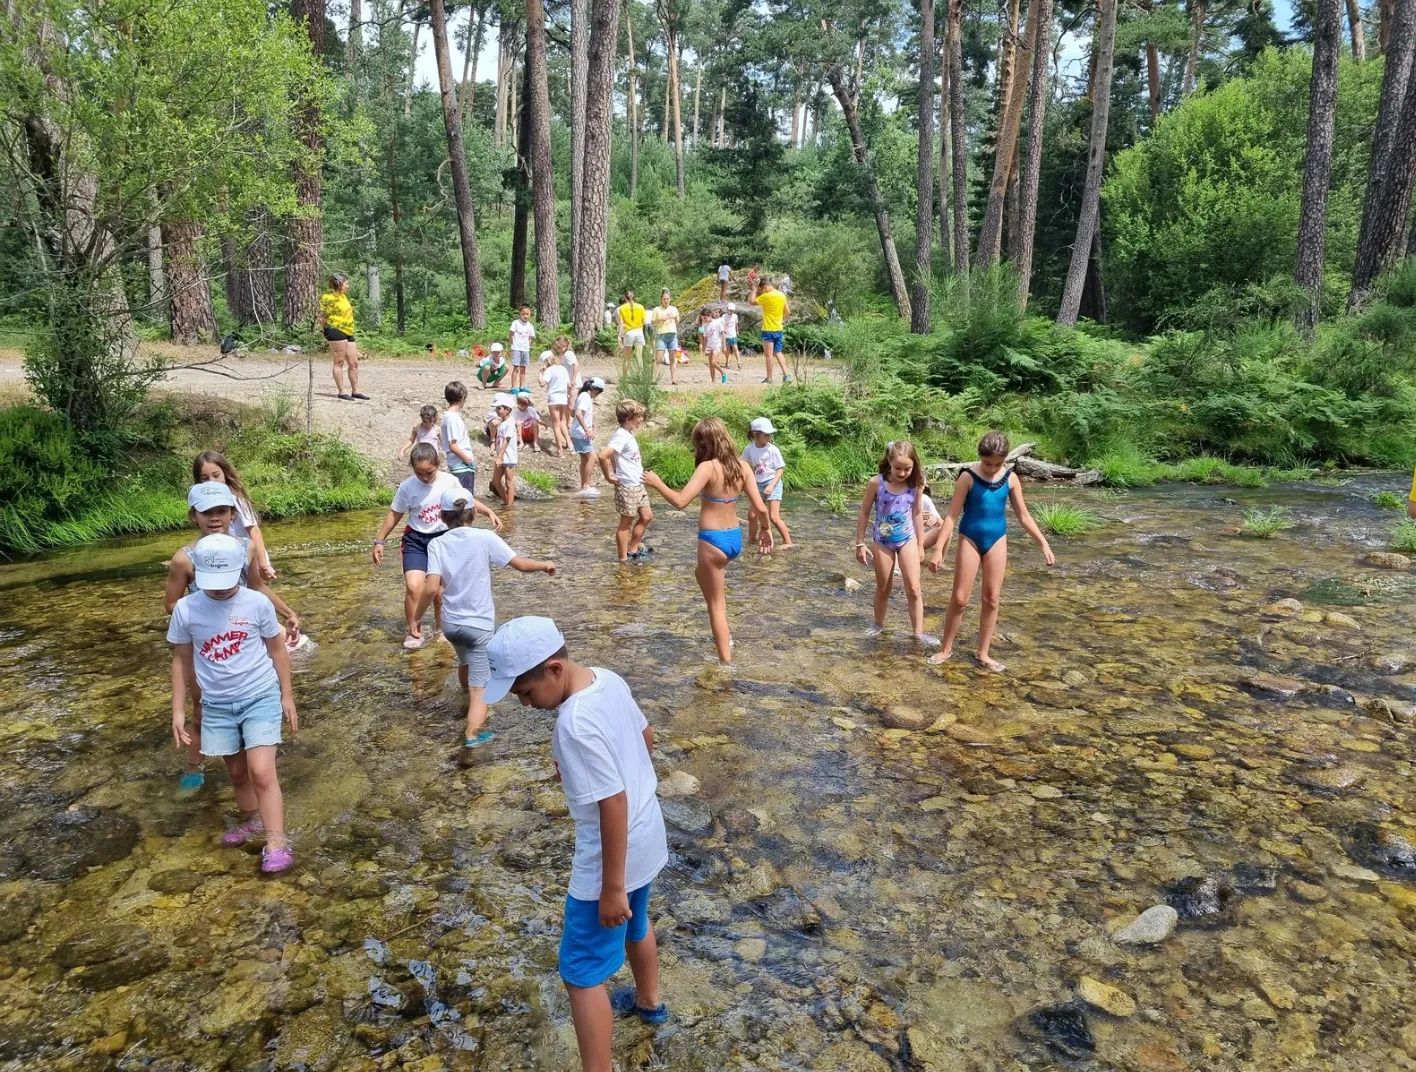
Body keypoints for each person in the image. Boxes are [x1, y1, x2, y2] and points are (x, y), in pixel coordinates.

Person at [483, 617, 669, 1072]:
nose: (525, 704)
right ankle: (650, 1003)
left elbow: (612, 802)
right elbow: (644, 738)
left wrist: (611, 888)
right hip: (648, 833)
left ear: (554, 669)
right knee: (637, 923)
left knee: (580, 974)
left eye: (525, 692)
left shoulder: (572, 724)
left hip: (610, 859)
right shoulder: (608, 679)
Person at [169, 533, 298, 873]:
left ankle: (277, 842)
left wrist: (286, 696)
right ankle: (251, 820)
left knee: (261, 771)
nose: (221, 590)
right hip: (216, 705)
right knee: (238, 772)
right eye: (213, 583)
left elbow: (277, 650)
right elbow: (181, 660)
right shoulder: (186, 609)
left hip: (260, 696)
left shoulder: (256, 603)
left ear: (239, 570)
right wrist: (179, 711)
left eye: (227, 582)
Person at [166, 482, 300, 795]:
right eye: (207, 512)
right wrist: (200, 616)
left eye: (222, 511)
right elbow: (172, 604)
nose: (215, 517)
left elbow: (257, 587)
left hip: (241, 634)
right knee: (202, 707)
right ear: (194, 516)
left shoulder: (246, 547)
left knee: (252, 692)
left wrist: (286, 612)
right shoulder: (184, 559)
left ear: (232, 514)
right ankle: (194, 764)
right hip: (206, 645)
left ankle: (253, 747)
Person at [415, 489, 556, 755]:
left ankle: (464, 700)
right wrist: (543, 564)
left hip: (451, 626)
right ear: (473, 513)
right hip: (478, 626)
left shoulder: (436, 544)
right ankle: (473, 736)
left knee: (465, 662)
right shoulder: (484, 537)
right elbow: (519, 564)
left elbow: (432, 587)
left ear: (442, 517)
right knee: (482, 691)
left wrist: (416, 618)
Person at [644, 418, 771, 664]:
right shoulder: (743, 467)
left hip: (712, 541)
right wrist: (765, 529)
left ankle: (726, 663)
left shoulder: (708, 468)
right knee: (699, 574)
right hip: (733, 539)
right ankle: (725, 636)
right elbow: (760, 508)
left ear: (702, 443)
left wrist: (657, 483)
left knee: (716, 607)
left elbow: (681, 502)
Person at [927, 431, 1054, 672]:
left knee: (992, 597)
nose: (992, 468)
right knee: (960, 598)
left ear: (1005, 460)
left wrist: (1043, 543)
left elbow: (1024, 516)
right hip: (970, 538)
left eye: (998, 464)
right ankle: (945, 649)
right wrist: (938, 549)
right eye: (987, 463)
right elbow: (951, 517)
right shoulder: (968, 477)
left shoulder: (1011, 479)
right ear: (980, 457)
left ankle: (983, 653)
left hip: (997, 540)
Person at [372, 442, 500, 650]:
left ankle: (442, 630)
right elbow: (395, 514)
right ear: (412, 468)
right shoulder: (407, 487)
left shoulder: (449, 481)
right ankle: (414, 631)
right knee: (414, 587)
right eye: (419, 473)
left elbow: (467, 501)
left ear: (438, 464)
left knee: (440, 593)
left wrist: (489, 512)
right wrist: (380, 541)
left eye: (429, 472)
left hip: (443, 540)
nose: (424, 478)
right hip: (416, 541)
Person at [854, 441, 934, 645]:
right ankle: (878, 625)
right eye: (898, 468)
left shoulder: (915, 485)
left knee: (914, 588)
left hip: (907, 539)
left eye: (908, 468)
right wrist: (860, 543)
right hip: (882, 542)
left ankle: (918, 633)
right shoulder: (876, 483)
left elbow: (917, 513)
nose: (902, 473)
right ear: (889, 461)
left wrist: (920, 544)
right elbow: (864, 512)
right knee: (883, 587)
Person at [192, 451, 276, 581]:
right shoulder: (201, 503)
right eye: (205, 478)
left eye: (216, 475)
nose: (212, 481)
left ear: (225, 473)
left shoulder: (236, 499)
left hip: (249, 556)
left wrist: (263, 564)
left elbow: (254, 530)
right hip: (226, 557)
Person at [600, 400, 653, 562]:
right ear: (629, 418)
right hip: (627, 486)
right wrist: (609, 476)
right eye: (639, 417)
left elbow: (615, 456)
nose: (641, 419)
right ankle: (623, 559)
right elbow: (603, 456)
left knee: (647, 516)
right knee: (626, 523)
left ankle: (633, 549)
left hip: (637, 483)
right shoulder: (621, 435)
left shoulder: (628, 434)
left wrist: (617, 468)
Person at [318, 273, 369, 401]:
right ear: (339, 284)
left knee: (354, 363)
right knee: (339, 362)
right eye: (346, 283)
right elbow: (321, 315)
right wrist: (324, 330)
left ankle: (355, 391)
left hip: (348, 330)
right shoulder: (327, 297)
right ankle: (342, 391)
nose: (348, 286)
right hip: (334, 329)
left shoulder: (344, 297)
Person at [742, 418, 792, 549]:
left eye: (770, 434)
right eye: (766, 435)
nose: (769, 437)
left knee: (773, 517)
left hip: (773, 483)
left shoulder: (773, 449)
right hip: (757, 485)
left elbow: (780, 469)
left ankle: (788, 542)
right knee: (752, 515)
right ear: (755, 434)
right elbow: (743, 464)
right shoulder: (749, 449)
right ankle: (752, 540)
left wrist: (771, 485)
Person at [749, 276, 790, 384]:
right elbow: (787, 311)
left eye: (762, 289)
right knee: (778, 352)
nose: (762, 292)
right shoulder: (781, 295)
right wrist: (779, 318)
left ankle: (769, 378)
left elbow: (751, 302)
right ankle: (786, 375)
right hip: (778, 328)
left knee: (768, 355)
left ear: (765, 287)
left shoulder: (766, 296)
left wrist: (754, 289)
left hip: (768, 329)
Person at [441, 381, 479, 495]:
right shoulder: (452, 418)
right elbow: (453, 445)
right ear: (461, 397)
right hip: (461, 466)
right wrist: (468, 461)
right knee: (465, 499)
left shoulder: (449, 416)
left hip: (460, 465)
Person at [571, 378, 607, 497]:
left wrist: (589, 422)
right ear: (596, 390)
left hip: (576, 432)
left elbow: (572, 413)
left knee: (585, 458)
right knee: (592, 457)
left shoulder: (581, 395)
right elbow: (578, 413)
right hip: (581, 433)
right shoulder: (586, 397)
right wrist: (587, 429)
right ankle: (586, 486)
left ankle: (583, 486)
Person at [539, 342, 573, 458]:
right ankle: (569, 443)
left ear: (547, 361)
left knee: (556, 425)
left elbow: (542, 383)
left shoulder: (550, 370)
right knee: (562, 420)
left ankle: (560, 451)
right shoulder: (563, 369)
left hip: (554, 398)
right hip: (563, 398)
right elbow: (568, 384)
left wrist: (540, 373)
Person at [492, 394, 520, 507]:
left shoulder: (510, 424)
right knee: (495, 481)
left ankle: (509, 507)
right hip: (502, 456)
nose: (497, 410)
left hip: (509, 457)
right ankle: (506, 501)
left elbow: (506, 440)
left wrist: (499, 457)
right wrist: (494, 447)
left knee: (509, 482)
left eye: (499, 408)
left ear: (507, 410)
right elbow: (499, 439)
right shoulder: (502, 423)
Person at [649, 290, 680, 387]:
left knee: (672, 358)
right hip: (661, 334)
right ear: (661, 300)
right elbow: (652, 321)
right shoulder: (657, 309)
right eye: (664, 299)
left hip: (672, 334)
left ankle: (674, 379)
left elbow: (677, 322)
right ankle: (653, 378)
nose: (666, 301)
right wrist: (660, 319)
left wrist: (674, 317)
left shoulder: (674, 309)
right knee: (658, 358)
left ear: (670, 299)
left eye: (667, 299)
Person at [617, 289, 647, 376]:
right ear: (634, 297)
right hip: (639, 332)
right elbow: (644, 321)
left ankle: (624, 378)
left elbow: (621, 323)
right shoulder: (641, 307)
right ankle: (641, 377)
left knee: (627, 358)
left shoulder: (622, 308)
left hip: (629, 332)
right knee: (639, 357)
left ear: (625, 298)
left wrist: (619, 336)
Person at [508, 305, 536, 391]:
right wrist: (513, 343)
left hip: (525, 349)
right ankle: (513, 387)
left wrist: (528, 345)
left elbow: (531, 337)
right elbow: (511, 334)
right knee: (516, 368)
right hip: (516, 348)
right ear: (520, 314)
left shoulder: (530, 326)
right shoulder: (516, 323)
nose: (525, 316)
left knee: (523, 368)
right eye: (523, 314)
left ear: (530, 314)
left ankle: (522, 386)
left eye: (527, 314)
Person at [702, 306, 728, 385]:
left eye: (705, 318)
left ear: (710, 315)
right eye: (703, 318)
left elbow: (723, 334)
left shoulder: (717, 323)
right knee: (711, 364)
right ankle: (713, 380)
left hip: (717, 344)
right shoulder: (705, 326)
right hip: (709, 346)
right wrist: (704, 348)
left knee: (713, 362)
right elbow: (705, 338)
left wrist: (724, 346)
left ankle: (723, 373)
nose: (704, 320)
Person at [920, 483, 946, 553]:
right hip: (900, 538)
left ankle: (939, 558)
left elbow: (943, 523)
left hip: (919, 539)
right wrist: (917, 516)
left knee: (946, 530)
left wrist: (936, 519)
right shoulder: (900, 497)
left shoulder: (924, 499)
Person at [724, 304, 742, 371]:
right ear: (727, 309)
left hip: (733, 335)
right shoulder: (724, 316)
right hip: (726, 335)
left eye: (732, 310)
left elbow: (736, 324)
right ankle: (727, 362)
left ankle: (739, 362)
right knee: (727, 349)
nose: (731, 312)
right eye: (730, 310)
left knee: (735, 348)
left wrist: (737, 331)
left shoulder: (735, 316)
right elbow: (722, 324)